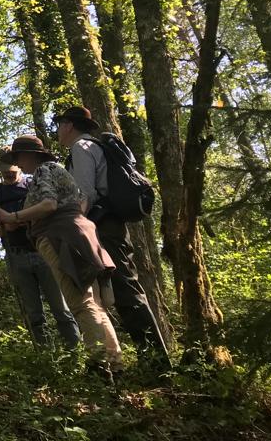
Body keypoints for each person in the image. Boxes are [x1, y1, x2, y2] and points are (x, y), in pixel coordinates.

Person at [55, 106, 172, 369]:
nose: (58, 130)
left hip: (103, 226)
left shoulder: (81, 148)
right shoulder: (90, 147)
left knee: (125, 290)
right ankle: (152, 361)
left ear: (69, 125)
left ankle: (157, 364)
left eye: (60, 124)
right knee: (121, 290)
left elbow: (84, 193)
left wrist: (75, 228)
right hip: (109, 225)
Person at [0, 135, 122, 375]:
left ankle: (98, 364)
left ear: (32, 155)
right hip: (78, 235)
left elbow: (49, 205)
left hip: (61, 238)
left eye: (19, 157)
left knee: (80, 302)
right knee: (93, 303)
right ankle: (114, 362)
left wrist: (14, 217)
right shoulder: (54, 170)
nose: (18, 164)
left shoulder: (44, 170)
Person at [0, 156, 80, 349]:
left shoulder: (34, 185)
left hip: (42, 251)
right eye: (5, 172)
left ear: (19, 169)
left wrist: (22, 219)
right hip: (16, 255)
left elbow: (50, 209)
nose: (8, 175)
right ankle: (46, 357)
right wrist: (7, 225)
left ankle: (75, 352)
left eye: (12, 172)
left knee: (61, 308)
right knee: (34, 314)